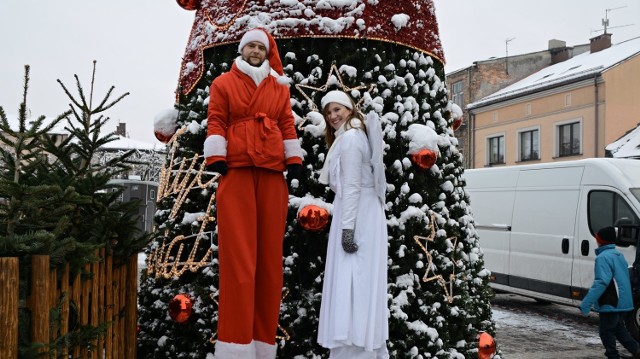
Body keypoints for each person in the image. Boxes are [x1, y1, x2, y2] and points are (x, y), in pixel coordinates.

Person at [203, 28, 303, 359]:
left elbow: (287, 123)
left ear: (267, 51)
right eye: (251, 46)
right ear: (242, 51)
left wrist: (294, 158)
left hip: (273, 174)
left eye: (262, 47)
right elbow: (216, 120)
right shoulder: (223, 83)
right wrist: (216, 156)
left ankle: (263, 345)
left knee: (270, 264)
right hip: (237, 174)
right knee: (239, 262)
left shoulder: (278, 86)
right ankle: (235, 346)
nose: (256, 51)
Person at [317, 90, 389, 358]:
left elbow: (352, 188)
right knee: (361, 280)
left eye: (337, 109)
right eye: (328, 112)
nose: (333, 116)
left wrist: (347, 229)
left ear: (349, 109)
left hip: (356, 215)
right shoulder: (356, 135)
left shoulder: (349, 140)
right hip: (364, 213)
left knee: (353, 279)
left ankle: (353, 343)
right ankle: (363, 342)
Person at [580, 226, 640, 359]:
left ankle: (613, 355)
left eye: (597, 238)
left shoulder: (603, 258)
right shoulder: (619, 255)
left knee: (606, 332)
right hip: (623, 301)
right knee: (619, 329)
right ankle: (636, 350)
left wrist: (586, 303)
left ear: (601, 241)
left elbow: (601, 282)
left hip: (611, 302)